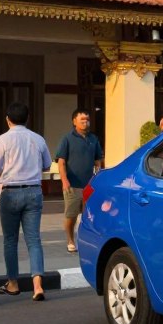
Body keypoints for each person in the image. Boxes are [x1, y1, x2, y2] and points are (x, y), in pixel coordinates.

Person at [0, 102, 53, 302]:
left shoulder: (2, 140)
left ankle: (13, 283)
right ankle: (37, 286)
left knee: (10, 240)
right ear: (27, 119)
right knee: (33, 239)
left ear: (7, 119)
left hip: (10, 192)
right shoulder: (38, 139)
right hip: (34, 191)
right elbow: (46, 165)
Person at [55, 108, 103, 253]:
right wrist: (64, 181)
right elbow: (61, 162)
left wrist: (98, 178)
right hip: (72, 185)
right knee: (71, 215)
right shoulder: (67, 138)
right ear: (74, 121)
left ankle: (86, 241)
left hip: (89, 185)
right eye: (82, 120)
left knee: (89, 215)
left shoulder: (93, 139)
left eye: (87, 120)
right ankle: (70, 240)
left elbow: (98, 161)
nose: (85, 122)